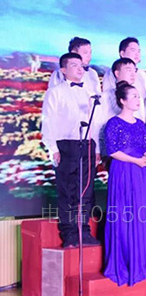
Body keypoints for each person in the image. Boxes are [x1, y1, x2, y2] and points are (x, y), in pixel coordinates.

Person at [41, 52, 102, 247]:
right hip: (66, 145)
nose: (79, 69)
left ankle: (84, 231)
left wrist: (97, 147)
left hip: (87, 144)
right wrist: (53, 148)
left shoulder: (90, 92)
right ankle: (69, 233)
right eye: (74, 65)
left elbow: (96, 122)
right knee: (68, 190)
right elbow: (48, 121)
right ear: (63, 70)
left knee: (86, 191)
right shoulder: (55, 92)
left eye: (81, 65)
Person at [103, 81, 146, 286]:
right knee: (124, 213)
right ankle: (125, 260)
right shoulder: (113, 123)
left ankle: (144, 261)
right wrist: (136, 160)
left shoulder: (140, 124)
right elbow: (113, 150)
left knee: (142, 213)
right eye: (133, 96)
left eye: (138, 96)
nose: (138, 99)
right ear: (122, 100)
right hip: (123, 171)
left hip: (141, 172)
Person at [98, 58, 146, 152]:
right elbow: (98, 124)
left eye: (135, 70)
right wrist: (98, 150)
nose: (133, 74)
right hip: (113, 147)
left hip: (136, 148)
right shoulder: (105, 96)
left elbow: (142, 120)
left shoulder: (137, 95)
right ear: (117, 73)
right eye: (128, 70)